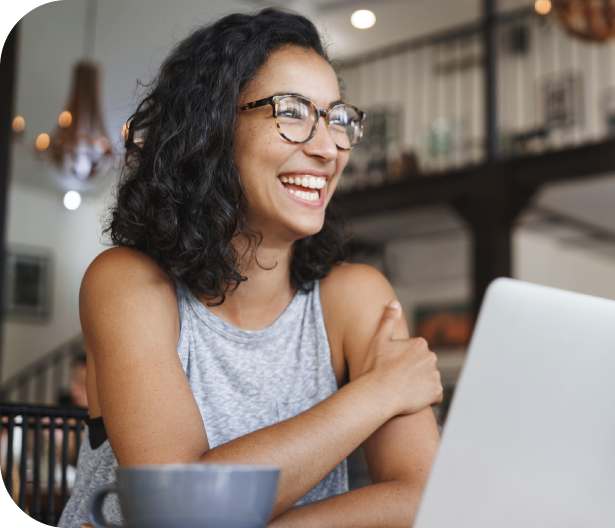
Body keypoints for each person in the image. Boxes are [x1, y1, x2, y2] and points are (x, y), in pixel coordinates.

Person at [58, 8, 443, 528]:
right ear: (213, 127)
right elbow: (181, 510)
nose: (328, 147)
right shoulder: (126, 282)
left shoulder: (355, 297)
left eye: (337, 118)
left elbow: (423, 497)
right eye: (292, 112)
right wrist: (376, 394)